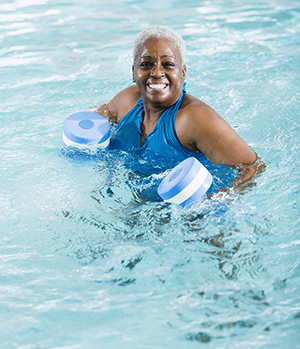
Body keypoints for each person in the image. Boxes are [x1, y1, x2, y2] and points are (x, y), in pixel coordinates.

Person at [95, 25, 264, 189]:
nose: (157, 73)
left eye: (168, 64)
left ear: (182, 72)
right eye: (146, 64)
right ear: (133, 72)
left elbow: (253, 167)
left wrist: (219, 199)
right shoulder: (127, 100)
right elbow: (98, 115)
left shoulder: (193, 118)